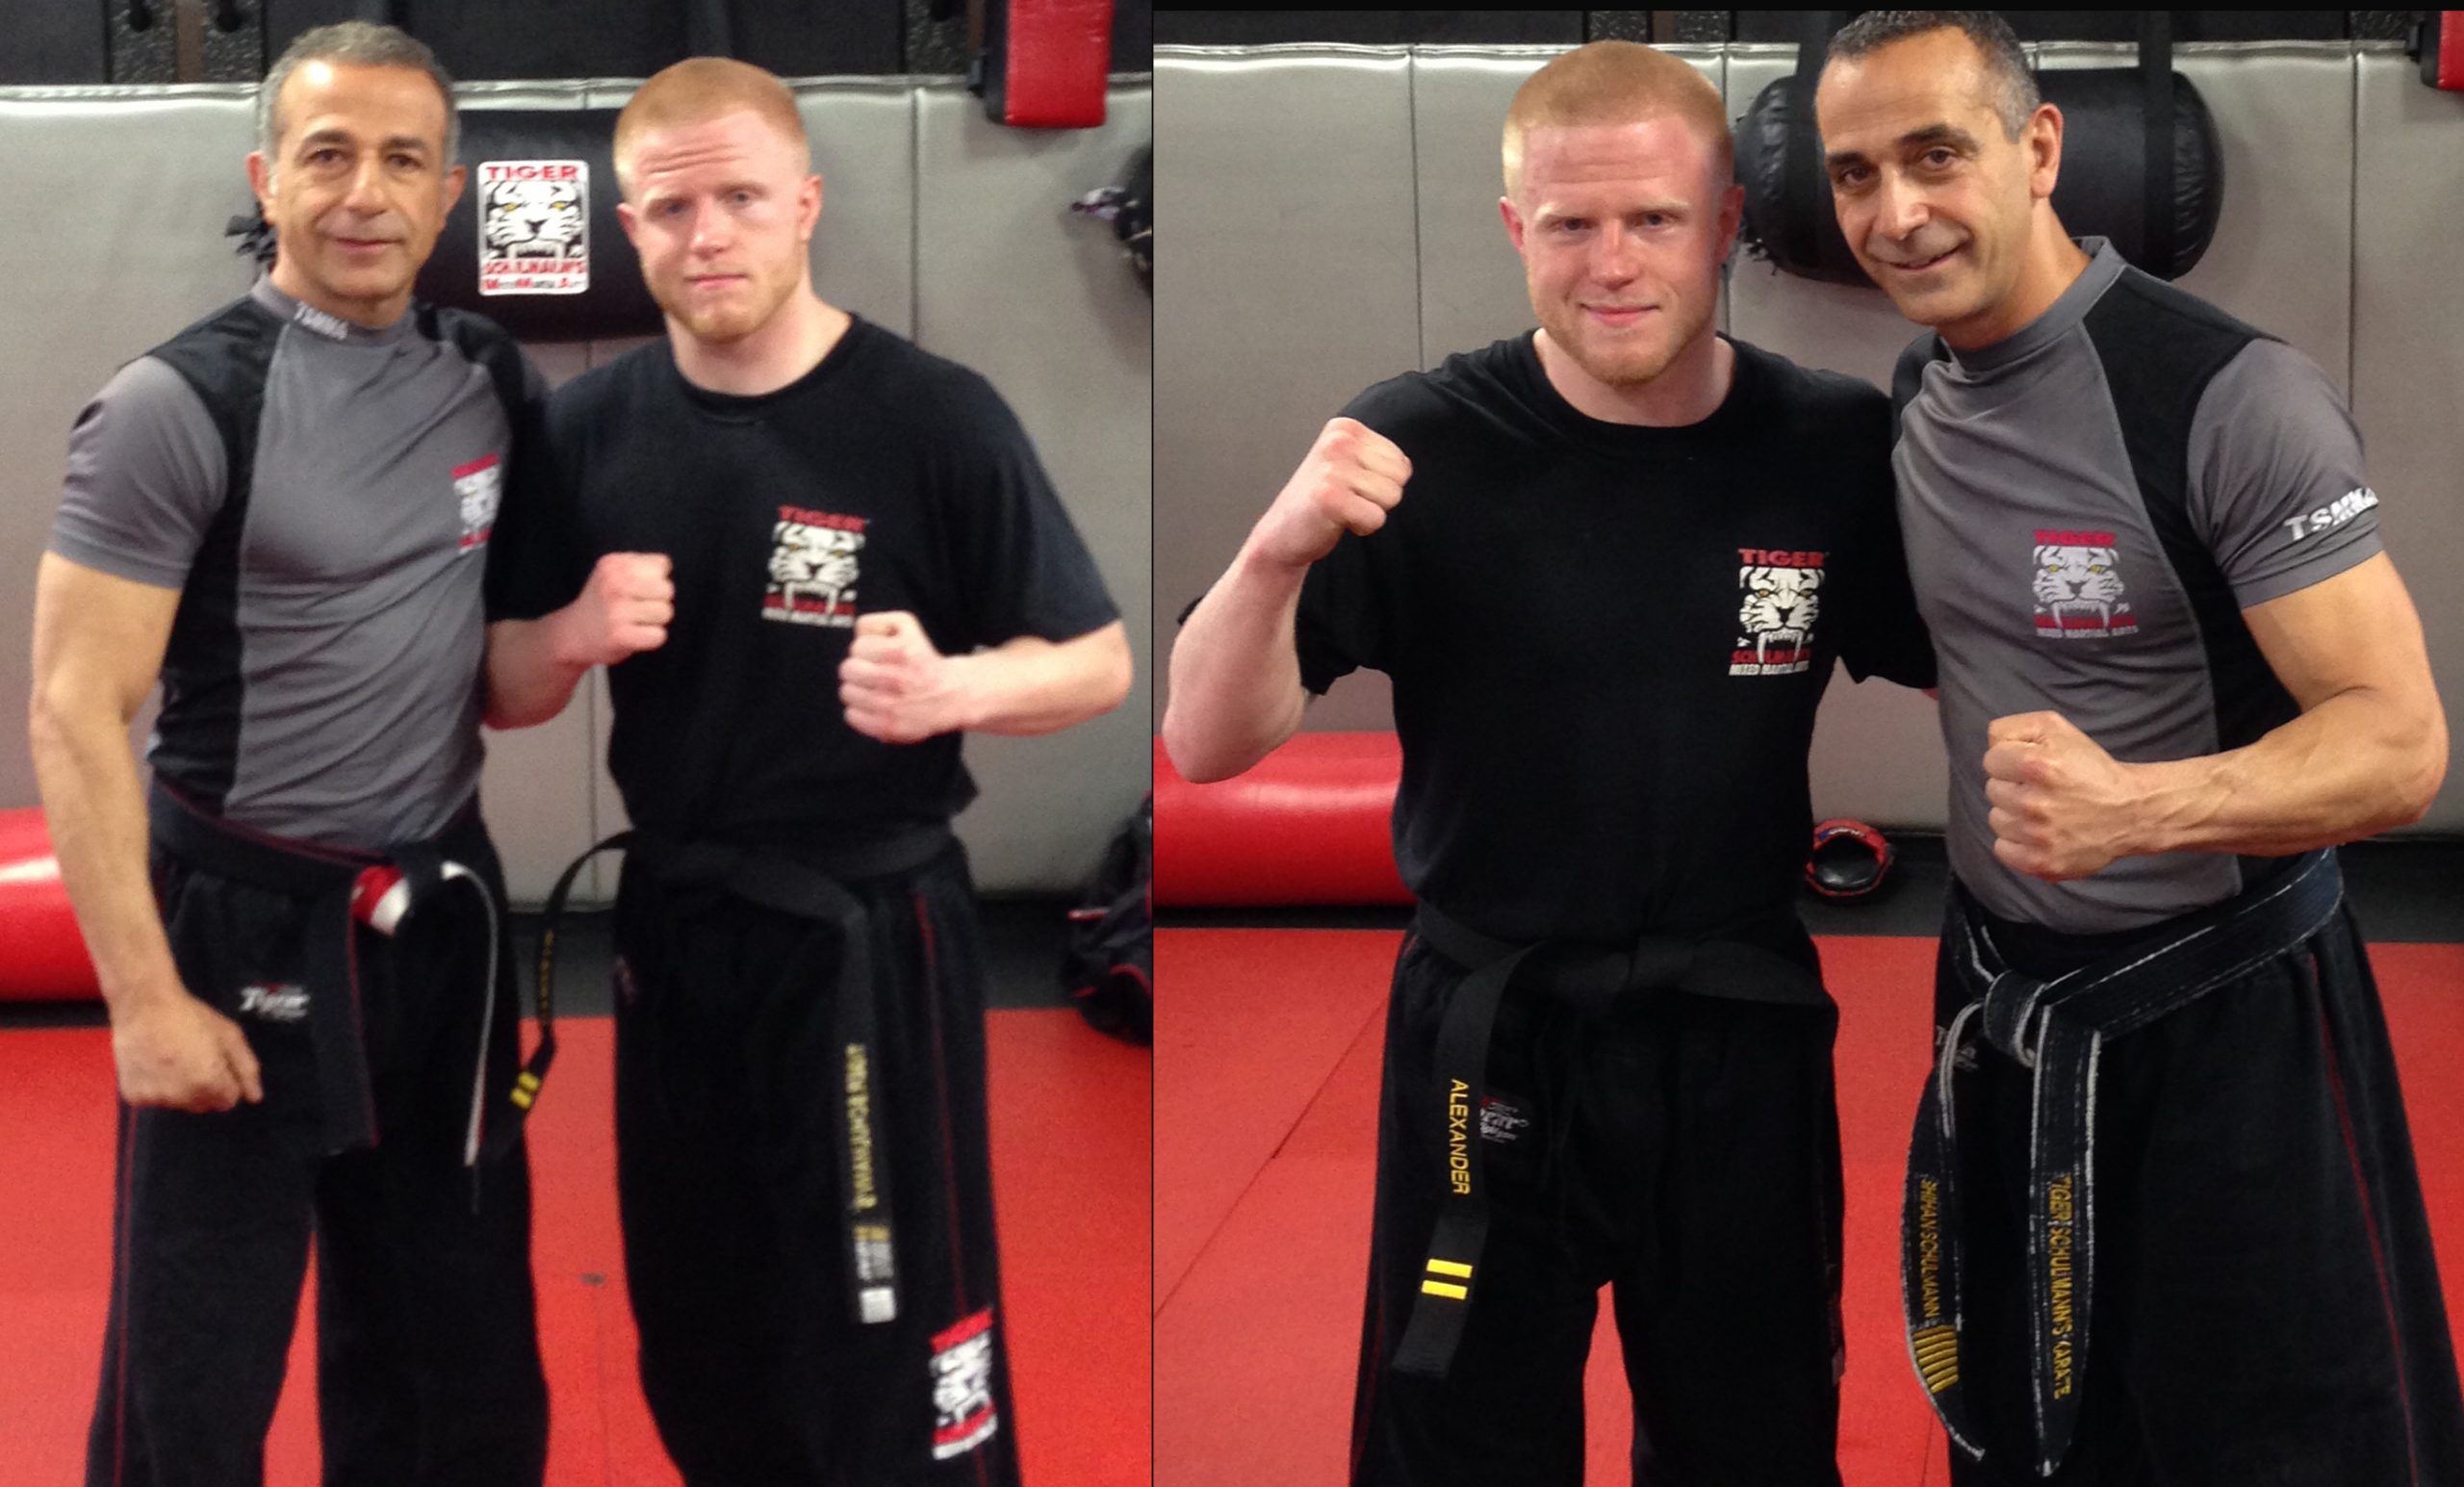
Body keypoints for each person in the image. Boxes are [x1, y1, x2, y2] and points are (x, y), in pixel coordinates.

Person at [1166, 40, 1935, 1487]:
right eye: (1571, 224)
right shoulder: (1424, 441)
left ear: (1723, 227)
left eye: (1653, 219)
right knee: (1458, 1448)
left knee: (1757, 1448)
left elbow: (1982, 655)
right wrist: (1273, 550)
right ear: (1518, 230)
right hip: (1488, 1038)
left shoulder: (1830, 444)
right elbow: (1205, 746)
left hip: (1738, 1038)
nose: (1612, 263)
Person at [1811, 12, 2463, 1484]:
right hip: (2005, 1006)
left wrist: (2140, 806)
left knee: (2278, 1442)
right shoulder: (1922, 400)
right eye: (1856, 173)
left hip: (2229, 1023)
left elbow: (2402, 744)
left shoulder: (2228, 397)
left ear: (2039, 149)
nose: (1896, 213)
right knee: (2037, 1435)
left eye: (1936, 154)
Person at [481, 57, 1132, 1485]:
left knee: (892, 1325)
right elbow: (505, 689)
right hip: (675, 926)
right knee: (699, 1315)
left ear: (806, 204)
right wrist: (572, 634)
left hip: (868, 932)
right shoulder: (585, 431)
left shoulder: (930, 416)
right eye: (670, 207)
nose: (706, 233)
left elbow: (1095, 659)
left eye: (740, 198)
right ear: (627, 225)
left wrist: (957, 685)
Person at [26, 21, 551, 1487]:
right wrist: (140, 999)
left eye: (402, 160)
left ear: (450, 195)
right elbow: (72, 711)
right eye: (327, 156)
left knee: (458, 1360)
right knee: (191, 1379)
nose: (363, 193)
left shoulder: (484, 376)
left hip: (444, 918)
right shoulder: (175, 406)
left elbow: (500, 667)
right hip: (239, 922)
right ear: (269, 177)